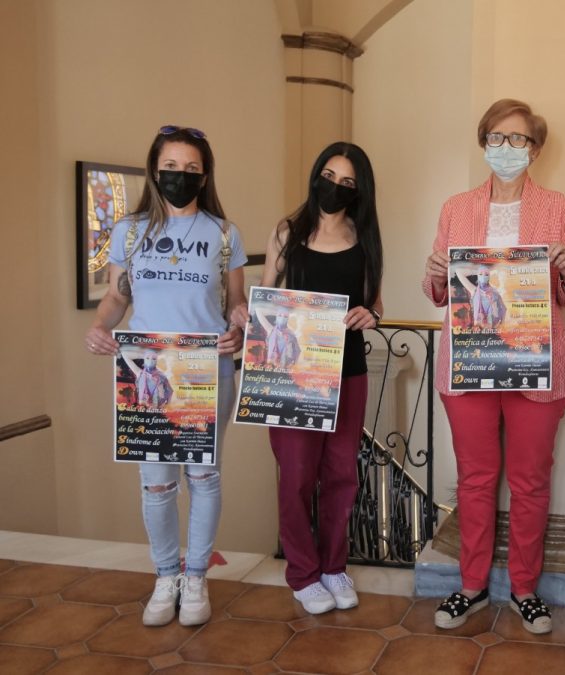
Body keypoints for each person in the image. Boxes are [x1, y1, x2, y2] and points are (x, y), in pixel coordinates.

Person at [422, 99, 565, 634]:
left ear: (534, 148)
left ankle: (524, 588)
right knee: (474, 478)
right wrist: (432, 272)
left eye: (518, 140)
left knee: (530, 480)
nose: (507, 149)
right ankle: (470, 586)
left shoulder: (557, 206)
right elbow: (437, 293)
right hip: (469, 364)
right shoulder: (456, 208)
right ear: (484, 144)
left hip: (536, 364)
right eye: (496, 138)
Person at [85, 125, 247, 627]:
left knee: (202, 475)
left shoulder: (224, 234)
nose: (181, 176)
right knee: (156, 485)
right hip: (147, 367)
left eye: (191, 170)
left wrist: (239, 330)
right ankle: (164, 576)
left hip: (206, 369)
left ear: (205, 175)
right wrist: (99, 328)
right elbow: (117, 296)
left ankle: (196, 575)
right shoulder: (129, 232)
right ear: (156, 170)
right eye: (171, 168)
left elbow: (236, 303)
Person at [240, 142, 384, 615]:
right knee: (297, 475)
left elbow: (374, 302)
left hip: (349, 372)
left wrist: (372, 315)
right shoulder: (288, 231)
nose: (334, 187)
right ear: (315, 176)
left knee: (342, 474)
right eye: (328, 175)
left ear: (359, 191)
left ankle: (333, 566)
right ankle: (302, 572)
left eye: (347, 182)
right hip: (291, 375)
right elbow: (267, 294)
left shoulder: (366, 239)